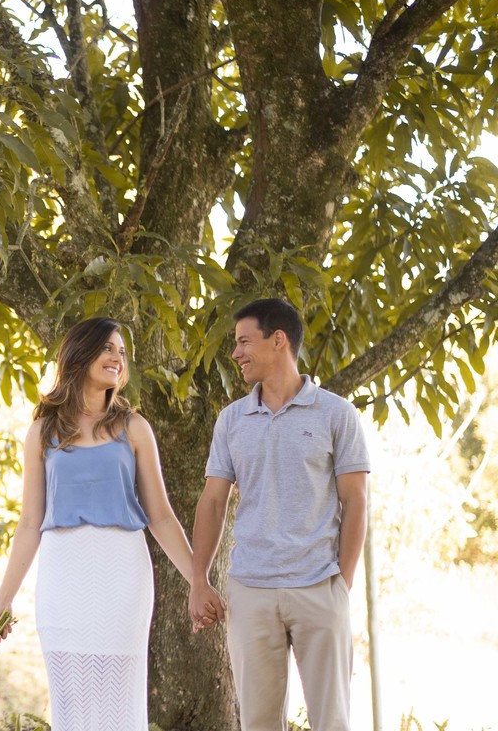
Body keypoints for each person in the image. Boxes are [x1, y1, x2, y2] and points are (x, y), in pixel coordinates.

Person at [0, 317, 205, 731]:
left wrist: (199, 580)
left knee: (119, 703)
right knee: (70, 702)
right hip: (61, 577)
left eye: (122, 352)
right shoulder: (41, 433)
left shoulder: (134, 428)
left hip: (122, 574)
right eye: (108, 348)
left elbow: (160, 515)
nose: (117, 358)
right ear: (80, 354)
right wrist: (3, 601)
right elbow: (30, 523)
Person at [188, 297, 371, 731]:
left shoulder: (336, 414)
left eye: (244, 341)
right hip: (251, 591)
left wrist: (340, 587)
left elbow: (357, 501)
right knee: (258, 723)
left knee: (333, 721)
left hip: (318, 587)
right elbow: (212, 502)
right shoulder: (231, 420)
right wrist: (199, 580)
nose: (236, 353)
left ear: (278, 340)